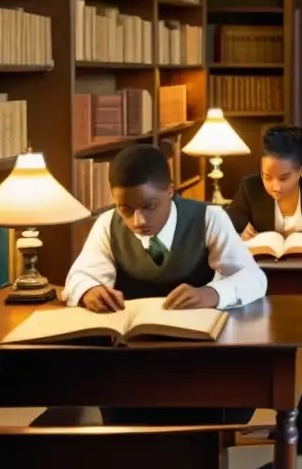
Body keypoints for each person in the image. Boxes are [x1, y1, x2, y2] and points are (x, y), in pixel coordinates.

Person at [63, 143, 268, 429]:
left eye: (149, 206)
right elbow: (79, 276)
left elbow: (254, 279)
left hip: (200, 359)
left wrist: (213, 293)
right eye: (126, 209)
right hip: (132, 363)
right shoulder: (107, 224)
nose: (139, 221)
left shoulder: (209, 218)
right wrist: (88, 290)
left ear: (170, 190)